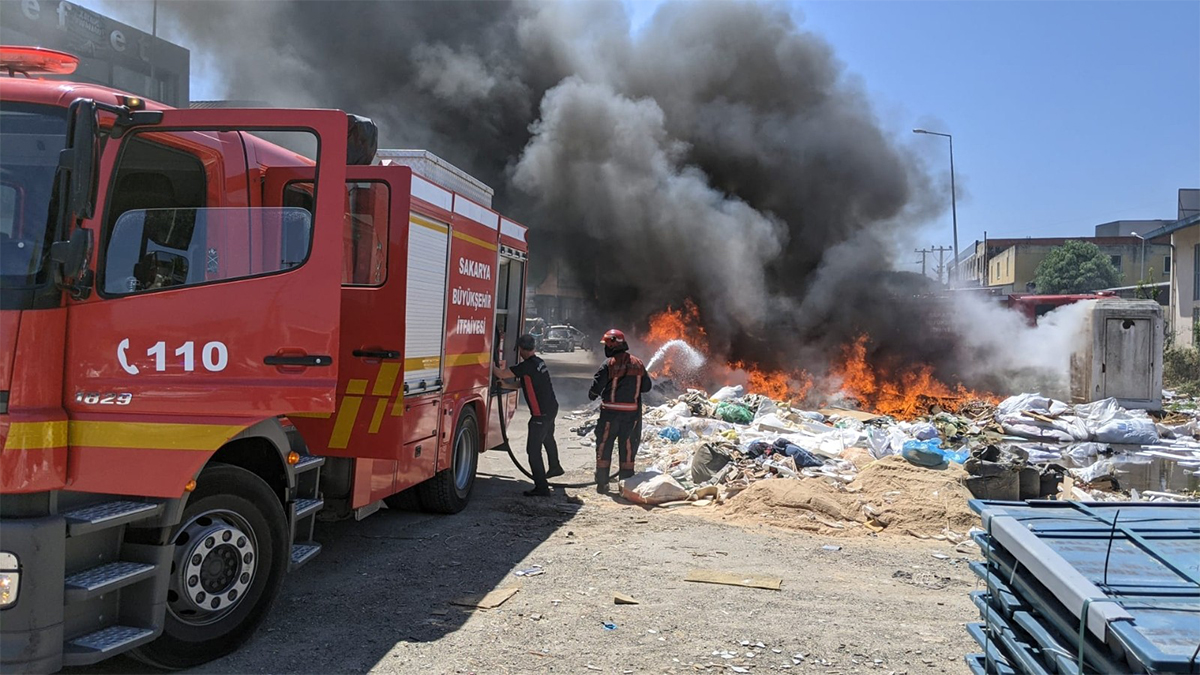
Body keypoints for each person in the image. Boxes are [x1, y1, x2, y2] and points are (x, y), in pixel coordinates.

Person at [493, 333, 564, 497]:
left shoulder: (526, 366)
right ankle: (555, 467)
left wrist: (486, 360)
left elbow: (501, 373)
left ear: (520, 349)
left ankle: (542, 487)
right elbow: (525, 382)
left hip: (541, 414)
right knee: (548, 438)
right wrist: (507, 386)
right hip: (551, 408)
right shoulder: (538, 362)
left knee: (533, 450)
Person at [587, 329, 653, 493]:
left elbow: (596, 388)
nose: (605, 348)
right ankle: (626, 486)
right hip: (631, 416)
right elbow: (646, 387)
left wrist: (593, 394)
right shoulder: (638, 363)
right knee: (628, 448)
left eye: (606, 344)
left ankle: (602, 483)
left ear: (612, 345)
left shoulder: (608, 364)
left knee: (604, 446)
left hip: (610, 415)